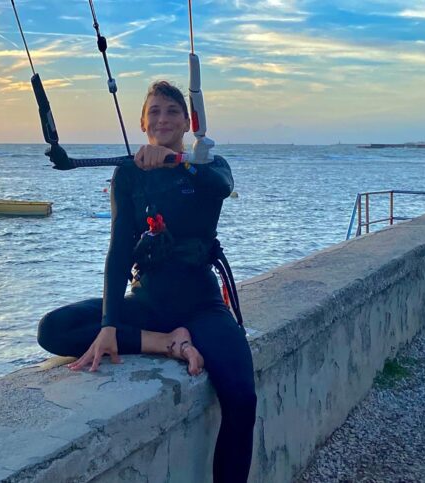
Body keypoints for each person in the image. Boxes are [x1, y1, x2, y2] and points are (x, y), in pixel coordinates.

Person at [37, 80, 257, 482]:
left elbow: (221, 186)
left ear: (188, 122)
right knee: (53, 329)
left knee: (242, 398)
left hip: (202, 306)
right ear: (143, 123)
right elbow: (120, 251)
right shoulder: (128, 175)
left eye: (172, 111)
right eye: (154, 111)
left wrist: (177, 161)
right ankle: (166, 342)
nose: (163, 119)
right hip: (148, 304)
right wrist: (109, 324)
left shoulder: (209, 164)